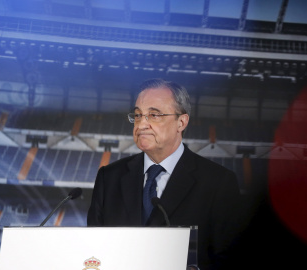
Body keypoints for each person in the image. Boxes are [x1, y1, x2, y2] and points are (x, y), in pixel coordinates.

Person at [87, 78, 244, 270]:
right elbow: (93, 250)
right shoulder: (109, 178)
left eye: (154, 115)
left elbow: (229, 261)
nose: (141, 124)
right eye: (137, 115)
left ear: (181, 122)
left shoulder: (218, 182)